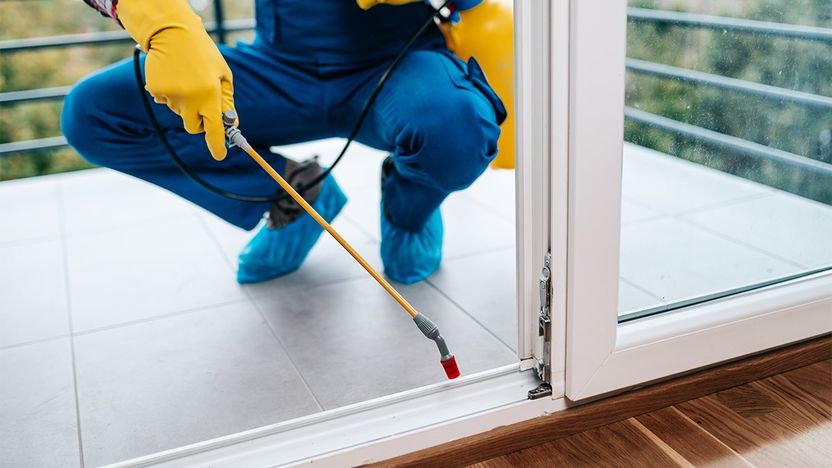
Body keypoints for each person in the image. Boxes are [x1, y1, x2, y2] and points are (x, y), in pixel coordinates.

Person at [62, 0, 505, 285]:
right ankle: (292, 194)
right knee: (93, 113)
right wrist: (156, 19)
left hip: (396, 67)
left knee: (455, 128)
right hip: (279, 68)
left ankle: (409, 211)